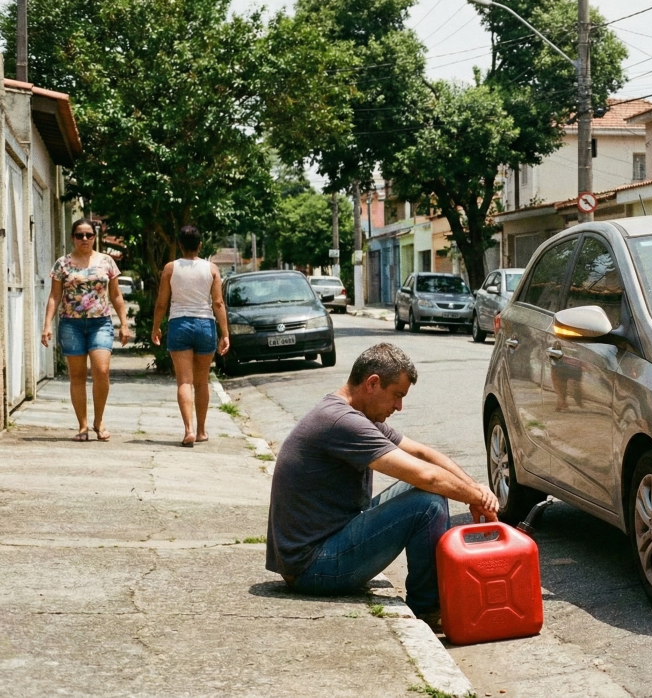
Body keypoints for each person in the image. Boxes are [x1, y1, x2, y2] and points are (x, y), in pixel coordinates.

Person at [266, 343, 499, 618]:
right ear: (373, 383)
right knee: (427, 503)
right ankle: (428, 609)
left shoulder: (354, 414)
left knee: (428, 491)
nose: (399, 406)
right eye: (397, 395)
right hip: (312, 567)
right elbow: (427, 475)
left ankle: (432, 601)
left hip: (323, 548)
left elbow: (424, 454)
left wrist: (476, 489)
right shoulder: (342, 422)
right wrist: (475, 497)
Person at [40, 219, 130, 442]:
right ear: (72, 238)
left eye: (88, 235)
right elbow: (54, 296)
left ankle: (99, 421)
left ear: (94, 237)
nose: (84, 239)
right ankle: (82, 425)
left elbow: (116, 295)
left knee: (101, 371)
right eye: (79, 235)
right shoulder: (62, 264)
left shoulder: (106, 261)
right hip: (71, 324)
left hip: (101, 323)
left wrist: (124, 323)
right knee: (77, 376)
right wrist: (46, 325)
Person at [150, 225, 231, 447]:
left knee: (184, 381)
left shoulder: (170, 268)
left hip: (179, 324)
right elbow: (218, 303)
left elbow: (161, 303)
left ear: (180, 245)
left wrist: (156, 327)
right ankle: (203, 430)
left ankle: (189, 429)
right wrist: (225, 334)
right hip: (205, 324)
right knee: (202, 381)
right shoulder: (212, 268)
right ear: (200, 245)